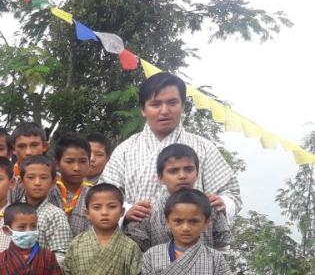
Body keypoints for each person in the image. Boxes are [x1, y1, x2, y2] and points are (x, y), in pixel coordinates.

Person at [100, 71, 242, 224]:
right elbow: (103, 197)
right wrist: (126, 211)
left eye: (172, 103)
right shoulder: (125, 151)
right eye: (155, 104)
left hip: (195, 243)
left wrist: (224, 202)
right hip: (137, 243)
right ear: (143, 109)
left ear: (183, 106)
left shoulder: (205, 148)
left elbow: (232, 194)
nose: (165, 111)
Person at [124, 144, 231, 252]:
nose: (182, 176)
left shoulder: (211, 207)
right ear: (160, 177)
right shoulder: (145, 213)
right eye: (174, 171)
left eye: (188, 169)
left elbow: (222, 246)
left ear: (197, 174)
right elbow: (137, 256)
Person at [18, 155, 73, 261]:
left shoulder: (55, 215)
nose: (37, 183)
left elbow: (61, 255)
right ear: (21, 182)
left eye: (43, 178)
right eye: (31, 177)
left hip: (43, 274)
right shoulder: (13, 212)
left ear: (53, 183)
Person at [49, 134, 94, 237]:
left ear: (89, 163)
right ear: (57, 164)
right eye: (69, 161)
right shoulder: (48, 191)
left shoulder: (95, 194)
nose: (77, 168)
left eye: (83, 161)